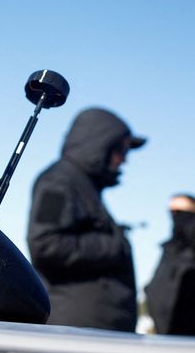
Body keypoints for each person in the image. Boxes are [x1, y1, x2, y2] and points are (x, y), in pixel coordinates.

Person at [27, 107, 146, 331]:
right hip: (74, 330)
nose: (124, 160)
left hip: (93, 328)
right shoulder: (58, 181)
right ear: (100, 145)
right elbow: (45, 244)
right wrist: (113, 245)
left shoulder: (84, 186)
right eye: (121, 150)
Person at [145, 193, 195, 333]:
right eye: (171, 212)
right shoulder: (169, 250)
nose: (175, 217)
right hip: (166, 331)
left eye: (180, 212)